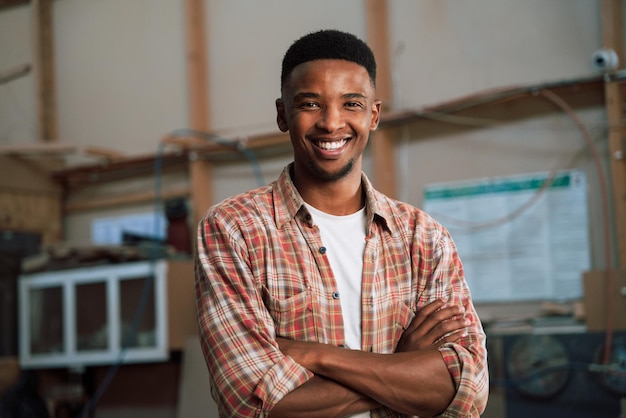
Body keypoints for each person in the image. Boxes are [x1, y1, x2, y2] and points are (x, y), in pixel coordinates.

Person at [195, 29, 489, 417]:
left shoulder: (424, 238)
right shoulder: (234, 230)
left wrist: (317, 357)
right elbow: (250, 403)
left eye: (351, 104)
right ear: (283, 114)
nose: (331, 123)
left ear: (374, 114)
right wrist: (400, 366)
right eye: (311, 104)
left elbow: (467, 392)